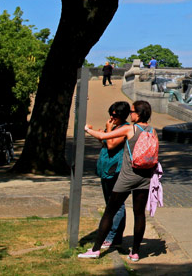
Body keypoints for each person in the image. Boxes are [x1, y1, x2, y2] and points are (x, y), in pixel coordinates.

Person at [79, 100, 157, 262]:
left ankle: (95, 250)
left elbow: (103, 136)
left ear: (139, 113)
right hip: (145, 177)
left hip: (127, 177)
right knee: (139, 213)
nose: (131, 114)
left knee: (110, 211)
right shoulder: (152, 131)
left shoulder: (130, 129)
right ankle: (135, 252)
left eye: (133, 111)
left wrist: (87, 129)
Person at [93, 101, 130, 250]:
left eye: (114, 115)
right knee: (110, 203)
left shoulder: (125, 128)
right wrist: (102, 134)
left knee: (116, 204)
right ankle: (114, 237)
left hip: (115, 170)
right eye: (110, 113)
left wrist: (108, 131)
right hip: (106, 169)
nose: (111, 117)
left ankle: (112, 236)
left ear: (122, 115)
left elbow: (112, 145)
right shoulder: (116, 127)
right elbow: (106, 142)